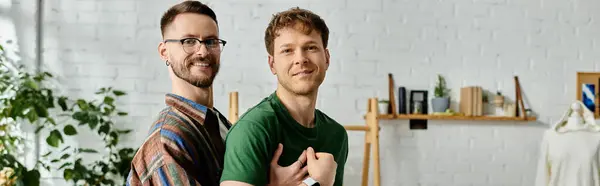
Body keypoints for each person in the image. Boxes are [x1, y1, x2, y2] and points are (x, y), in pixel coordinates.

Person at [126, 1, 307, 186]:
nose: (203, 51)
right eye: (189, 41)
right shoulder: (168, 139)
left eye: (211, 41)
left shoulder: (221, 125)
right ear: (164, 52)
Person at [220, 7, 349, 186]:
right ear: (272, 64)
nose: (301, 58)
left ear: (326, 58)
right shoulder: (253, 129)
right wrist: (317, 183)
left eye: (311, 47)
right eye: (287, 51)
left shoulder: (336, 135)